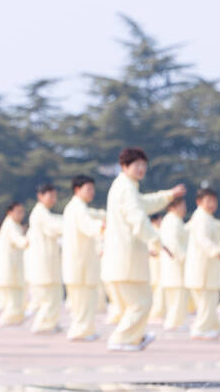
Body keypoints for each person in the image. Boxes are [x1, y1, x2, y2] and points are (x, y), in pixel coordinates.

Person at [103, 148, 183, 351]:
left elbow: (143, 204)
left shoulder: (125, 186)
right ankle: (122, 339)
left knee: (136, 302)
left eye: (143, 165)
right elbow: (137, 218)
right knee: (142, 302)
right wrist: (156, 241)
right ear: (124, 166)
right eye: (136, 165)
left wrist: (168, 196)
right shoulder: (126, 188)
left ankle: (134, 337)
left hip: (123, 257)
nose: (141, 169)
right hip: (127, 257)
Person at [184, 187, 220, 339]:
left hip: (206, 269)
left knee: (208, 301)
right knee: (207, 301)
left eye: (214, 201)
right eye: (208, 201)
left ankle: (214, 326)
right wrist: (218, 252)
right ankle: (200, 329)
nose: (212, 204)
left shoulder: (207, 218)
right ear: (199, 202)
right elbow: (203, 240)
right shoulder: (201, 218)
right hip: (202, 269)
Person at [62, 175, 105, 342]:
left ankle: (85, 330)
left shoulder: (79, 207)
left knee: (85, 300)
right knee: (83, 301)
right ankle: (80, 331)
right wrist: (102, 226)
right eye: (88, 189)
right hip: (79, 263)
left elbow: (94, 216)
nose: (92, 192)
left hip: (81, 262)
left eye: (93, 189)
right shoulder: (77, 208)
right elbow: (88, 226)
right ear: (77, 190)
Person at [24, 182, 65, 334]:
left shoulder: (43, 213)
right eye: (50, 196)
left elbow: (55, 221)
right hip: (43, 262)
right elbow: (54, 226)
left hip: (46, 261)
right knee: (49, 297)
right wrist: (72, 225)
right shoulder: (40, 213)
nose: (54, 199)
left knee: (53, 295)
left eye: (55, 196)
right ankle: (43, 325)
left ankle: (50, 323)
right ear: (40, 196)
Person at [0, 202, 29, 325]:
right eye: (18, 212)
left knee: (16, 294)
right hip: (10, 266)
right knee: (13, 295)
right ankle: (9, 318)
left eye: (22, 212)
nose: (21, 214)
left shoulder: (13, 224)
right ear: (10, 212)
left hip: (13, 265)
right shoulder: (10, 224)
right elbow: (17, 239)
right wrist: (27, 241)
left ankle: (15, 318)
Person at [158, 197, 190, 332]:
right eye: (181, 206)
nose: (184, 209)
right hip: (176, 264)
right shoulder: (173, 221)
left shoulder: (171, 220)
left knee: (174, 297)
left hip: (171, 265)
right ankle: (175, 322)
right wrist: (184, 258)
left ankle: (173, 321)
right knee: (178, 297)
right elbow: (174, 243)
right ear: (172, 207)